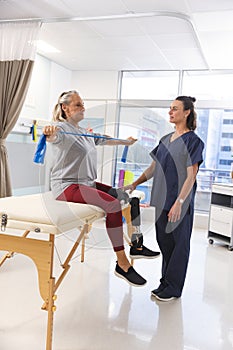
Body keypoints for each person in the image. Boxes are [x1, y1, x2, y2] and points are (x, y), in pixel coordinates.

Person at [43, 90, 159, 287]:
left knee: (128, 198)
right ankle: (122, 265)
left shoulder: (83, 132)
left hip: (86, 183)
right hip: (67, 186)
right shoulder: (60, 129)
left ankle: (137, 246)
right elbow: (54, 137)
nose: (83, 107)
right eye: (78, 104)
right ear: (65, 107)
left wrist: (127, 142)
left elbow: (104, 139)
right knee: (113, 204)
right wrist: (49, 134)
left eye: (82, 104)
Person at [124, 96, 204, 300]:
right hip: (160, 200)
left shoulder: (193, 141)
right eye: (170, 108)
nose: (170, 112)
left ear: (187, 112)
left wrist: (179, 202)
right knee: (165, 242)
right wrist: (135, 183)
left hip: (179, 203)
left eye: (175, 109)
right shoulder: (165, 139)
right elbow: (153, 168)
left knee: (179, 246)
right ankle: (165, 282)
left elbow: (191, 175)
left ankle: (174, 288)